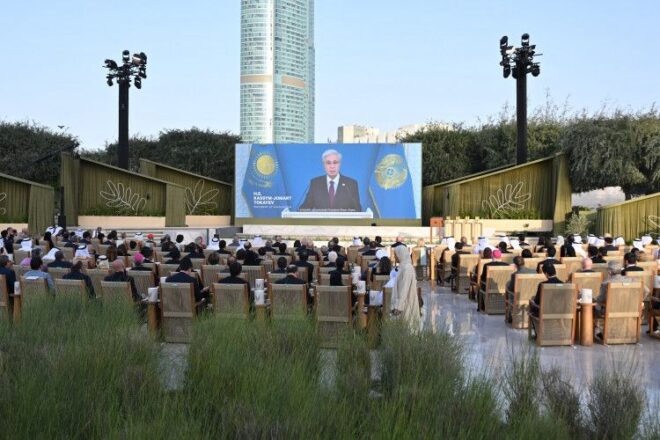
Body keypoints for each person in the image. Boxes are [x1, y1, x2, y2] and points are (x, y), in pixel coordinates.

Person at [390, 245, 420, 332]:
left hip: (406, 302)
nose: (395, 257)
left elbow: (404, 288)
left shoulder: (407, 268)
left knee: (408, 327)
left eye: (396, 254)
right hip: (403, 302)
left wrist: (399, 306)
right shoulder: (403, 267)